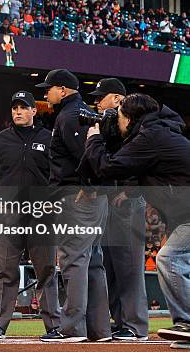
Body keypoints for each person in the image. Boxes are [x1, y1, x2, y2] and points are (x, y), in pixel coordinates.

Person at [83, 93, 190, 349]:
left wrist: (94, 140)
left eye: (118, 116)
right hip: (183, 215)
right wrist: (130, 192)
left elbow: (107, 167)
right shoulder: (160, 132)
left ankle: (187, 322)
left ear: (130, 117)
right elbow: (157, 170)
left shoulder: (151, 136)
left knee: (169, 259)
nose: (116, 122)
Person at [35, 69, 110, 343]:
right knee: (93, 263)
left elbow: (89, 155)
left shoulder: (69, 115)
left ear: (63, 90)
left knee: (75, 261)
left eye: (49, 88)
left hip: (77, 197)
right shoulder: (79, 113)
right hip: (91, 198)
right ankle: (100, 330)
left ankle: (72, 328)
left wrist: (89, 189)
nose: (46, 93)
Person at [0, 91, 60, 339]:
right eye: (14, 107)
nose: (18, 111)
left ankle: (54, 326)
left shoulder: (50, 139)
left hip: (41, 215)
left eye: (23, 107)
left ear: (34, 111)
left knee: (46, 270)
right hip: (8, 215)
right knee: (4, 271)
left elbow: (59, 175)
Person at [87, 78, 149, 341]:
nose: (97, 102)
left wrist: (131, 191)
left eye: (101, 97)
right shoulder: (112, 127)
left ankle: (136, 326)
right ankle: (121, 321)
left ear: (116, 99)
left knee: (130, 266)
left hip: (128, 202)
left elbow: (143, 164)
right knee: (111, 266)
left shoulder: (139, 127)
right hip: (110, 201)